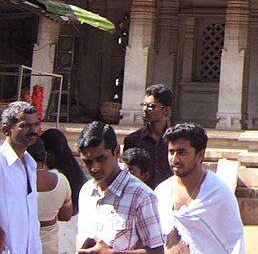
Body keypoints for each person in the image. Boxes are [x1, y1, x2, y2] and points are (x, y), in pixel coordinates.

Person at [154, 123, 244, 254]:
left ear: (200, 155)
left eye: (182, 153)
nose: (174, 159)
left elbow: (235, 242)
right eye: (171, 152)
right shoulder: (161, 192)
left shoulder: (218, 193)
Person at [75, 121, 164, 254]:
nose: (94, 168)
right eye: (88, 162)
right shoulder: (87, 191)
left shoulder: (141, 195)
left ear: (117, 152)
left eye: (101, 159)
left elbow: (157, 251)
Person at [0, 101, 41, 254]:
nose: (33, 130)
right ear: (6, 130)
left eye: (35, 125)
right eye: (25, 126)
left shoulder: (30, 164)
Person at [123, 84, 173, 188]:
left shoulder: (174, 141)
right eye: (144, 105)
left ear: (166, 110)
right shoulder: (132, 140)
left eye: (151, 106)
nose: (145, 109)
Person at [28, 139, 72, 254]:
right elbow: (66, 216)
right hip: (49, 248)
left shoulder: (12, 181)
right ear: (45, 156)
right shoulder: (61, 181)